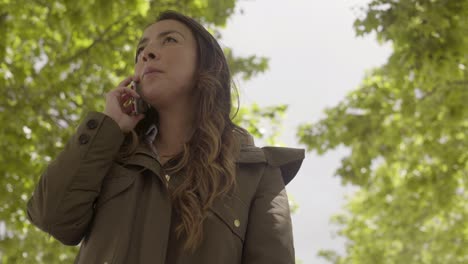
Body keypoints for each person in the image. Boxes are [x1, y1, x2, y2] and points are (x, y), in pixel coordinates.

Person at [26, 10, 305, 264]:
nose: (146, 53)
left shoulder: (257, 172)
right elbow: (52, 217)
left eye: (169, 40)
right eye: (141, 49)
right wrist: (109, 125)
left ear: (205, 65)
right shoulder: (110, 155)